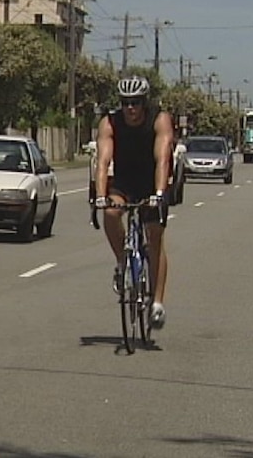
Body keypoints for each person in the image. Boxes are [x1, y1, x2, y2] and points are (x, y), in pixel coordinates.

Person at [93, 76, 175, 330]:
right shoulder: (110, 122)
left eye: (136, 102)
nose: (131, 108)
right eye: (126, 102)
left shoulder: (159, 120)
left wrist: (160, 193)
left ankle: (158, 303)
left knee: (154, 238)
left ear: (145, 103)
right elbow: (103, 162)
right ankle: (122, 262)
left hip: (152, 182)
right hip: (124, 183)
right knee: (110, 212)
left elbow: (162, 158)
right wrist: (99, 194)